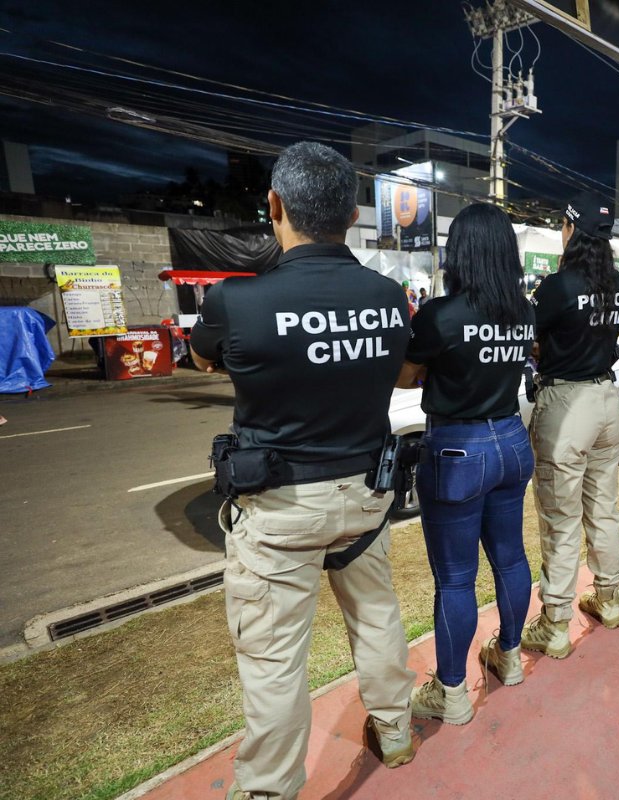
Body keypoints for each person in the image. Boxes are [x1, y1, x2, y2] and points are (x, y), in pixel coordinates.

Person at [190, 141, 418, 800]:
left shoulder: (238, 303)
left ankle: (268, 790)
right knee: (375, 618)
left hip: (280, 510)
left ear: (275, 206)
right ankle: (396, 731)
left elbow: (207, 361)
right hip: (367, 501)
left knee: (273, 661)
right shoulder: (387, 296)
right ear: (351, 212)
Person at [396, 203, 535, 724]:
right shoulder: (523, 311)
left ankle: (452, 693)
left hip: (458, 449)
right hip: (511, 441)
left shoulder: (440, 314)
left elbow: (405, 378)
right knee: (512, 559)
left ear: (461, 251)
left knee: (456, 578)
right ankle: (511, 656)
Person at [520, 193, 619, 658]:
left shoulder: (557, 286)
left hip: (567, 403)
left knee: (560, 520)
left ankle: (556, 622)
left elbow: (529, 336)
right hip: (608, 402)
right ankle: (608, 599)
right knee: (603, 507)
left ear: (570, 230)